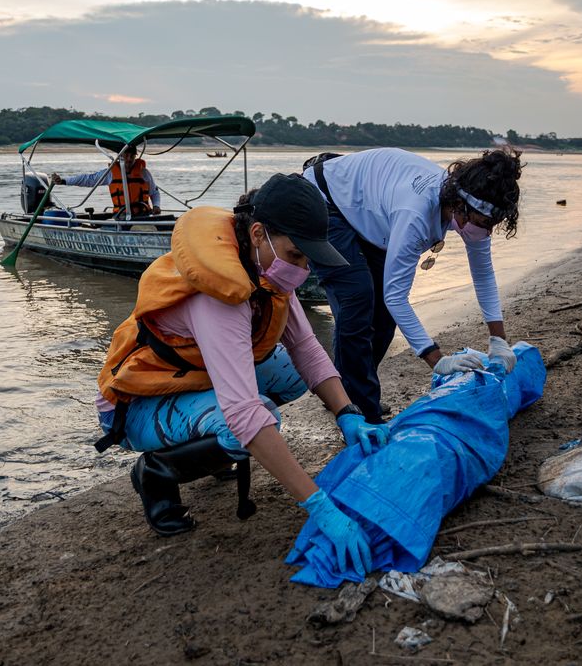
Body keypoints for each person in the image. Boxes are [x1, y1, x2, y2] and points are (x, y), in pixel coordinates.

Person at [94, 174, 388, 577]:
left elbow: (306, 349)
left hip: (190, 379)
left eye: (308, 258)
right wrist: (320, 506)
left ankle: (211, 449)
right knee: (249, 422)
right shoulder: (220, 295)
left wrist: (348, 413)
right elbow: (247, 415)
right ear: (257, 234)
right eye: (296, 254)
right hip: (135, 407)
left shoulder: (265, 271)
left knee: (290, 373)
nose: (303, 268)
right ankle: (157, 473)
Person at [302, 147, 524, 422]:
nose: (487, 231)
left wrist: (498, 339)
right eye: (483, 224)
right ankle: (361, 412)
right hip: (325, 200)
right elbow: (396, 296)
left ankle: (348, 393)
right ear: (459, 207)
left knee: (383, 317)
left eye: (493, 225)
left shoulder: (474, 205)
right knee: (357, 298)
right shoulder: (416, 213)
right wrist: (437, 360)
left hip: (372, 214)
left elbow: (483, 274)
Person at [51, 145, 161, 217]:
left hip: (144, 214)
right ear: (119, 156)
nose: (129, 159)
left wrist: (156, 206)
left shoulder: (144, 172)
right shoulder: (110, 173)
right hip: (121, 216)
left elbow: (154, 192)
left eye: (132, 156)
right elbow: (88, 179)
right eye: (126, 155)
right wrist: (63, 181)